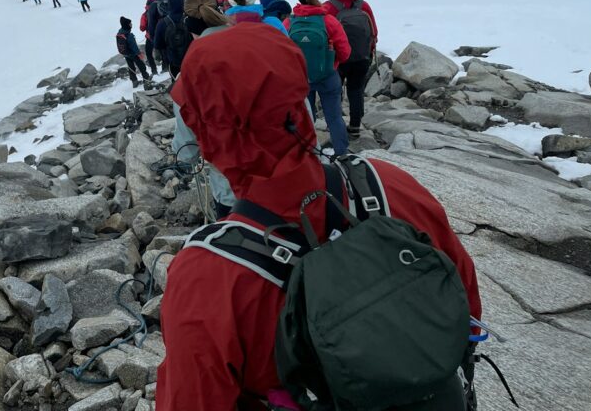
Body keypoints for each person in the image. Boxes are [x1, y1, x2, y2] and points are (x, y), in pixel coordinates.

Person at [157, 23, 482, 411]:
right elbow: (466, 306)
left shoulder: (207, 278)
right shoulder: (389, 185)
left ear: (211, 138)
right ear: (299, 99)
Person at [172, 0, 235, 218]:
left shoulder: (189, 75)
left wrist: (183, 161)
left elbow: (186, 147)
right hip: (284, 172)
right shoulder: (260, 45)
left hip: (232, 188)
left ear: (190, 30)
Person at [285, 0, 351, 156]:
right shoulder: (329, 21)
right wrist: (331, 61)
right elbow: (345, 52)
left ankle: (308, 155)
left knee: (305, 117)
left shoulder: (289, 23)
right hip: (327, 76)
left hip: (300, 78)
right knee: (334, 117)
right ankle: (342, 155)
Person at [323, 0, 379, 140]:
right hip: (361, 58)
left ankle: (335, 126)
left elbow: (324, 34)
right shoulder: (364, 6)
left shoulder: (329, 7)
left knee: (334, 92)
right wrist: (368, 53)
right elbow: (374, 32)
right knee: (356, 90)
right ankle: (355, 125)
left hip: (338, 59)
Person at [154, 0, 191, 80]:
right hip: (191, 59)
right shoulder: (189, 18)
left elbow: (158, 44)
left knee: (177, 87)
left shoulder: (162, 23)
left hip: (174, 62)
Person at [116, 17, 151, 88]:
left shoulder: (120, 33)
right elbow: (134, 46)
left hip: (126, 54)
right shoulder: (129, 35)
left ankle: (134, 81)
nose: (131, 24)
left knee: (131, 67)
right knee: (141, 65)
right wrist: (139, 54)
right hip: (133, 54)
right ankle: (146, 78)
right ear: (127, 25)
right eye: (130, 24)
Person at [146, 0, 169, 71]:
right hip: (179, 34)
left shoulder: (153, 6)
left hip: (163, 37)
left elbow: (151, 27)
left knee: (168, 60)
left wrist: (155, 43)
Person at [140, 0, 159, 76]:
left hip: (150, 37)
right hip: (160, 34)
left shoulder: (145, 14)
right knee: (163, 51)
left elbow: (142, 28)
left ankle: (154, 70)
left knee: (149, 54)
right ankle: (166, 67)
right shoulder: (159, 10)